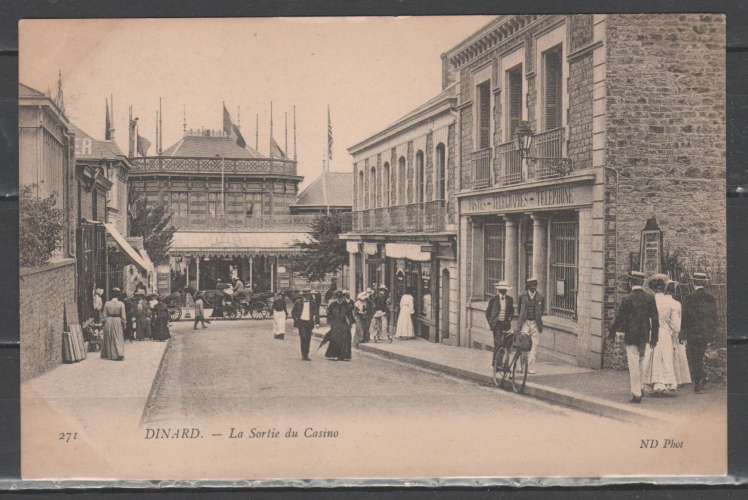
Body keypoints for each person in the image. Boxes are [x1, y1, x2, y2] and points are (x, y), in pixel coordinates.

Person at [609, 270, 660, 403]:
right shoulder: (650, 298)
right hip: (644, 335)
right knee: (642, 362)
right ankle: (641, 387)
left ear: (631, 282)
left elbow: (619, 318)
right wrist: (654, 337)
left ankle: (636, 393)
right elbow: (655, 319)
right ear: (642, 283)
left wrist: (612, 332)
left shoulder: (627, 299)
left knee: (633, 365)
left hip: (631, 336)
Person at [681, 272, 718, 393]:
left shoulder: (689, 298)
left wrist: (683, 333)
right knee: (700, 356)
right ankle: (701, 379)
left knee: (694, 358)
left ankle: (699, 381)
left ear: (694, 282)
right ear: (704, 283)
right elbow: (714, 318)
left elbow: (685, 318)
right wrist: (712, 333)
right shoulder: (710, 298)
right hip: (705, 333)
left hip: (693, 333)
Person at [642, 274, 679, 395]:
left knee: (652, 357)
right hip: (665, 332)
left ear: (653, 288)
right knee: (666, 357)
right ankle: (666, 383)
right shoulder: (670, 302)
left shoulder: (649, 300)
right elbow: (675, 324)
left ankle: (652, 383)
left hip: (652, 331)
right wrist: (674, 333)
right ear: (664, 288)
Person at [517, 277, 545, 374]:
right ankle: (521, 366)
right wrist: (520, 321)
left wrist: (538, 319)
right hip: (525, 322)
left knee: (535, 345)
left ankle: (529, 367)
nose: (534, 288)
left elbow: (542, 310)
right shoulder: (522, 296)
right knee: (523, 345)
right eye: (532, 286)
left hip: (535, 323)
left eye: (535, 285)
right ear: (528, 286)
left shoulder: (540, 297)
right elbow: (519, 310)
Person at [667, 281, 692, 387]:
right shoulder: (677, 304)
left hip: (672, 330)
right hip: (675, 330)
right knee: (677, 354)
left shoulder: (675, 304)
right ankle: (678, 378)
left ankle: (675, 378)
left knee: (674, 354)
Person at [486, 281, 514, 367]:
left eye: (505, 290)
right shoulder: (493, 299)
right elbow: (487, 312)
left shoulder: (510, 299)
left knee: (505, 344)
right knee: (498, 343)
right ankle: (496, 363)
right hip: (496, 324)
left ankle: (500, 363)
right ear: (499, 290)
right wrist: (491, 322)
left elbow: (511, 311)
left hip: (505, 324)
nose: (503, 291)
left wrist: (509, 319)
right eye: (501, 290)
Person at [325, 291, 354, 361]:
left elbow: (350, 314)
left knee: (345, 339)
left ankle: (344, 355)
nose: (340, 299)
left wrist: (350, 323)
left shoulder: (346, 305)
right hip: (335, 323)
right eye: (338, 298)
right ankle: (333, 354)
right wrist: (330, 322)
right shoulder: (333, 304)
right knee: (335, 338)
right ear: (336, 298)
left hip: (343, 323)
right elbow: (329, 314)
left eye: (341, 298)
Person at [292, 289, 319, 361]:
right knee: (303, 338)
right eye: (307, 295)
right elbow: (293, 312)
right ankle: (303, 355)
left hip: (309, 323)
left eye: (309, 295)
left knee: (308, 339)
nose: (308, 296)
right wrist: (296, 319)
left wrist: (317, 322)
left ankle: (306, 354)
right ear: (304, 296)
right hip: (301, 322)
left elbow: (316, 313)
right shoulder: (298, 302)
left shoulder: (313, 303)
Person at [101, 288, 126, 361]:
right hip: (117, 321)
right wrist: (124, 323)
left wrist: (103, 322)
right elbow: (123, 316)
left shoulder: (107, 303)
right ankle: (118, 353)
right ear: (118, 295)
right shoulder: (121, 304)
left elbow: (104, 315)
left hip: (109, 321)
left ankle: (110, 354)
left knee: (110, 337)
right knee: (117, 337)